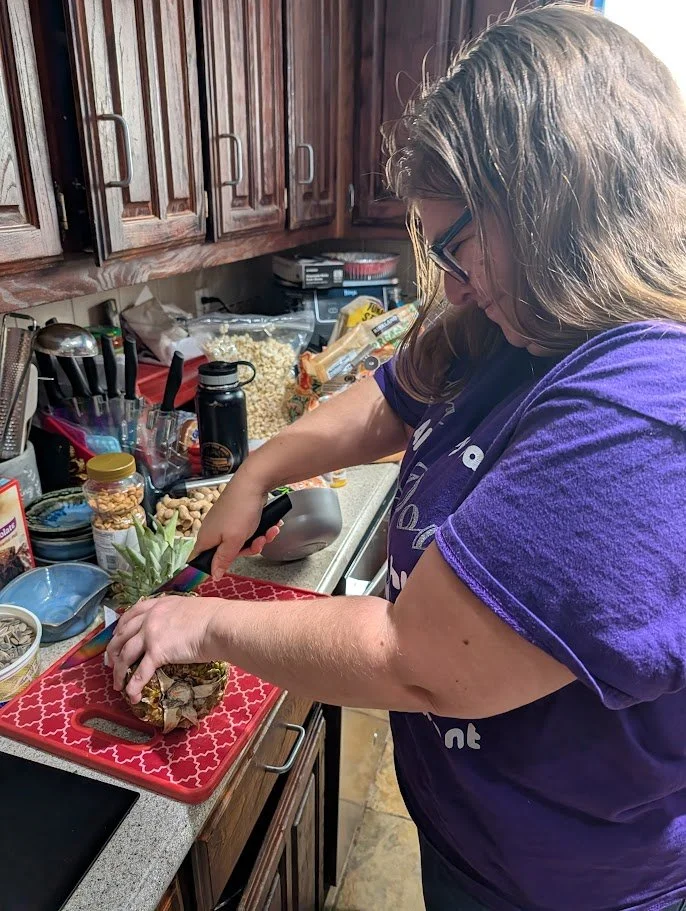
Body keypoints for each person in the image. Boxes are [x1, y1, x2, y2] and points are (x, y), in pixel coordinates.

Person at [107, 4, 686, 909]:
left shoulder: (641, 405)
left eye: (458, 246)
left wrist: (203, 623)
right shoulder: (519, 320)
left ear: (551, 207)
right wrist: (258, 470)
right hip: (477, 837)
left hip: (565, 883)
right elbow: (388, 399)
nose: (450, 283)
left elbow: (418, 655)